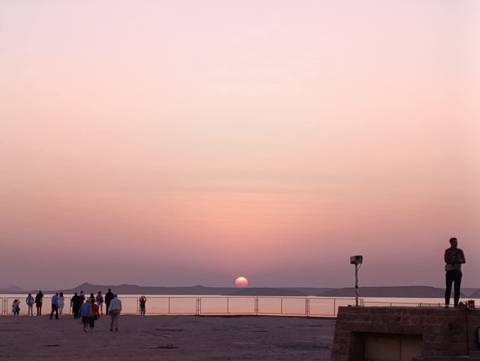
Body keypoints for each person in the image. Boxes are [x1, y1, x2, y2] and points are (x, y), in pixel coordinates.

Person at [444, 237, 466, 307]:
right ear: (451, 243)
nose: (456, 243)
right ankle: (447, 304)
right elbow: (446, 260)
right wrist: (453, 261)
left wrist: (458, 261)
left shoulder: (460, 251)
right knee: (448, 288)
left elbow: (464, 260)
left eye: (456, 242)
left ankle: (456, 304)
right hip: (450, 272)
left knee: (457, 289)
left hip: (457, 272)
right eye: (454, 242)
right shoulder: (447, 251)